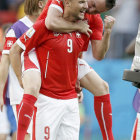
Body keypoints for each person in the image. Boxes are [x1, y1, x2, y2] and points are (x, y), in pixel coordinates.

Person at [10, 0, 115, 140]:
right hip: (38, 50)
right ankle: (21, 137)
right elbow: (50, 23)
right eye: (91, 4)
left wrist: (107, 32)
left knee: (103, 87)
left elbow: (86, 53)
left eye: (97, 11)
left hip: (68, 92)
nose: (89, 9)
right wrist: (19, 79)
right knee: (33, 86)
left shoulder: (88, 22)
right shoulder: (56, 9)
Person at [0, 0, 48, 140]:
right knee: (26, 135)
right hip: (21, 93)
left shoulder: (48, 26)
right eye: (48, 2)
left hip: (44, 94)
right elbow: (5, 62)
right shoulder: (17, 28)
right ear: (40, 4)